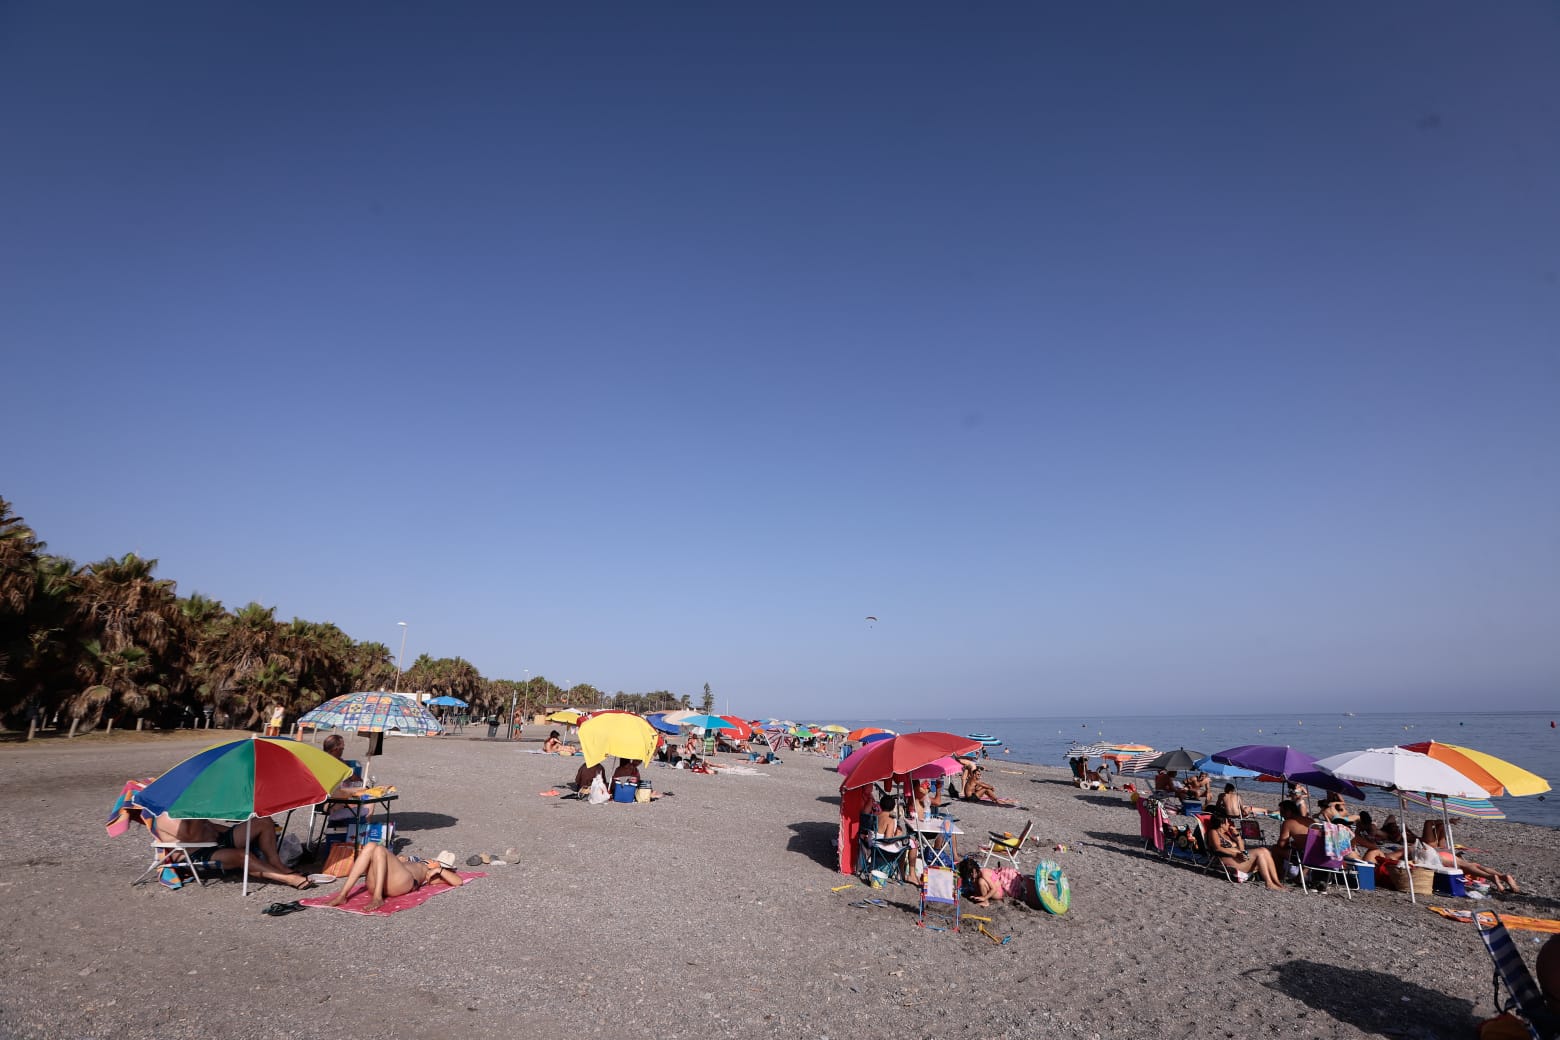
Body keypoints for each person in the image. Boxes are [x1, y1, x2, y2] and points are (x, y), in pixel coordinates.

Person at [153, 813, 313, 889]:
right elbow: (192, 837)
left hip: (217, 840)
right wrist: (198, 812)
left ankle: (276, 863)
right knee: (242, 856)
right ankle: (287, 879)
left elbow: (210, 826)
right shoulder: (165, 817)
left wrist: (239, 832)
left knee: (263, 821)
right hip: (196, 853)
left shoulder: (185, 808)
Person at [325, 846, 462, 911]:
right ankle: (343, 894)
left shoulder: (432, 872)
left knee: (379, 850)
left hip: (405, 883)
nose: (433, 861)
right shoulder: (416, 860)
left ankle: (378, 897)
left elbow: (458, 881)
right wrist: (399, 860)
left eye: (438, 862)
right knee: (370, 846)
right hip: (383, 880)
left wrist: (440, 870)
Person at [1208, 813, 1284, 889]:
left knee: (1265, 851)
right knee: (1261, 851)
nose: (1229, 824)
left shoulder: (1227, 834)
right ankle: (1269, 882)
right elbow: (1217, 848)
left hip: (1237, 859)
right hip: (1226, 861)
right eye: (1227, 822)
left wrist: (1237, 837)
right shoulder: (1213, 832)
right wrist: (1235, 854)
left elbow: (1242, 849)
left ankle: (1276, 882)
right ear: (1221, 824)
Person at [957, 856, 1041, 908]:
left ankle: (986, 902)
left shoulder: (983, 873)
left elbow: (993, 889)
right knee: (977, 881)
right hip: (993, 890)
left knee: (981, 882)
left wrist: (984, 898)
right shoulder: (977, 873)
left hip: (998, 892)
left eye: (970, 874)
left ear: (973, 871)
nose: (970, 877)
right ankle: (982, 897)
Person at [1274, 799, 1314, 869]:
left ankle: (1279, 874)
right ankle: (1299, 877)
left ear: (1289, 812)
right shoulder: (1310, 820)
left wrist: (1288, 844)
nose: (1281, 815)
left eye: (1282, 812)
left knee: (1276, 849)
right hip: (1319, 855)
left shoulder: (1288, 823)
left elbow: (1281, 844)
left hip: (1304, 856)